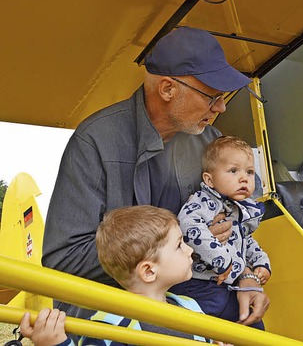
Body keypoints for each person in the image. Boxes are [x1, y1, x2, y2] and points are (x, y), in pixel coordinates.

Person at [42, 26, 268, 325]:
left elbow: (240, 216)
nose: (221, 107)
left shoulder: (210, 141)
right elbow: (64, 258)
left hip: (196, 296)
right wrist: (180, 239)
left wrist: (246, 276)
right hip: (118, 311)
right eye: (212, 96)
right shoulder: (94, 141)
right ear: (167, 89)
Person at [20, 206, 224, 345]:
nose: (189, 250)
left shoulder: (190, 306)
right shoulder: (109, 327)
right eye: (179, 245)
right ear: (149, 271)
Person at [171, 136, 271, 330]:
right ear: (209, 179)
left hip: (226, 286)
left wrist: (260, 261)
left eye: (249, 172)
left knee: (255, 326)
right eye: (233, 171)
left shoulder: (240, 208)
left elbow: (245, 239)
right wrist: (223, 260)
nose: (244, 178)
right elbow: (189, 227)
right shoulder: (203, 201)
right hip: (198, 285)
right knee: (202, 330)